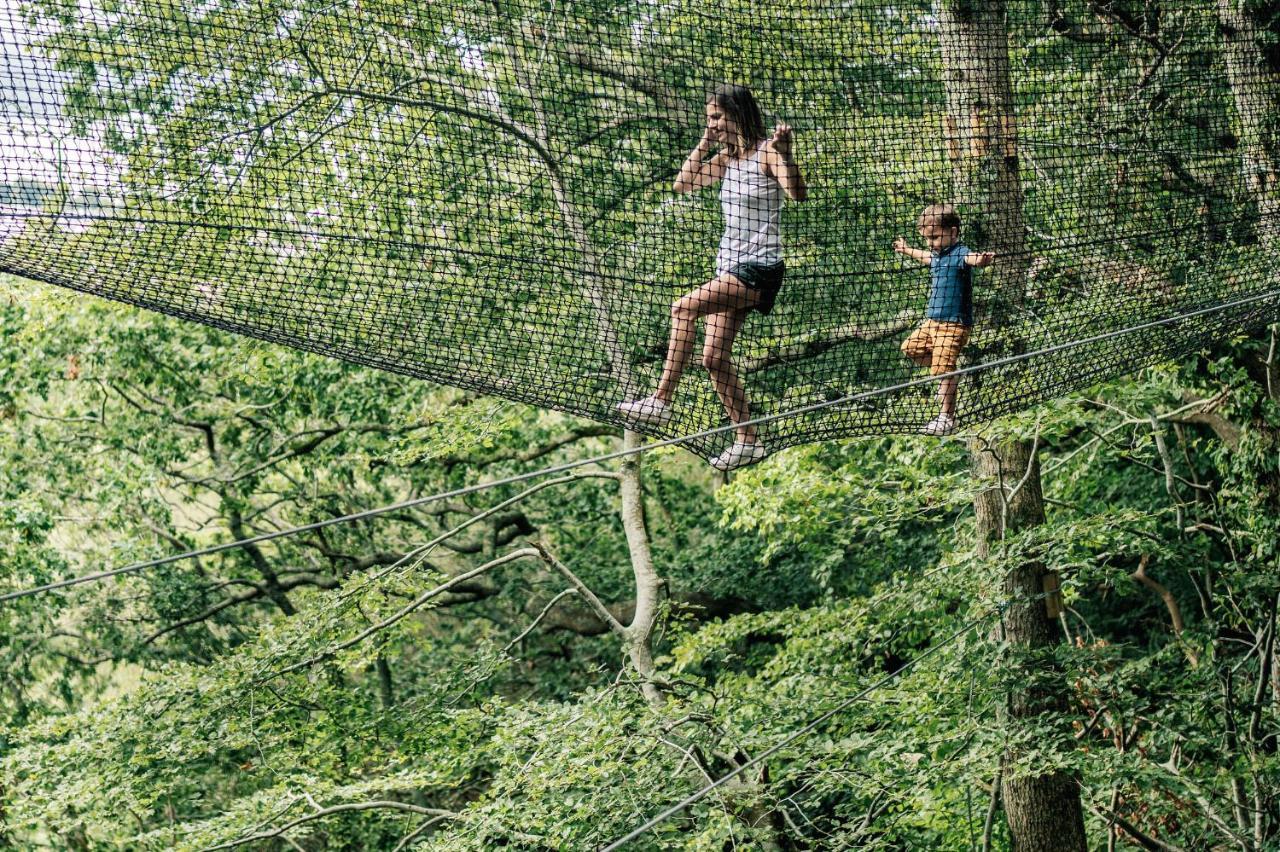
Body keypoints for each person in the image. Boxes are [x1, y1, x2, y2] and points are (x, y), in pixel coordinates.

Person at [617, 84, 808, 471]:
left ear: (737, 115)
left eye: (718, 117)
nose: (713, 124)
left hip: (760, 268)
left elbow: (798, 194)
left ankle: (660, 401)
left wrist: (786, 156)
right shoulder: (726, 159)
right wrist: (706, 139)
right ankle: (748, 439)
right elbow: (683, 183)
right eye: (709, 118)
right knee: (713, 359)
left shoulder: (767, 153)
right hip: (729, 266)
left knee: (682, 309)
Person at [893, 204, 994, 436]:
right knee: (910, 348)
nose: (931, 243)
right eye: (927, 238)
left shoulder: (959, 253)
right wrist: (907, 250)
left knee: (941, 370)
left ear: (954, 232)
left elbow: (972, 259)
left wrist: (982, 261)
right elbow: (927, 257)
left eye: (935, 237)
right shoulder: (938, 255)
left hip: (953, 324)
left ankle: (947, 417)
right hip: (932, 323)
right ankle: (949, 373)